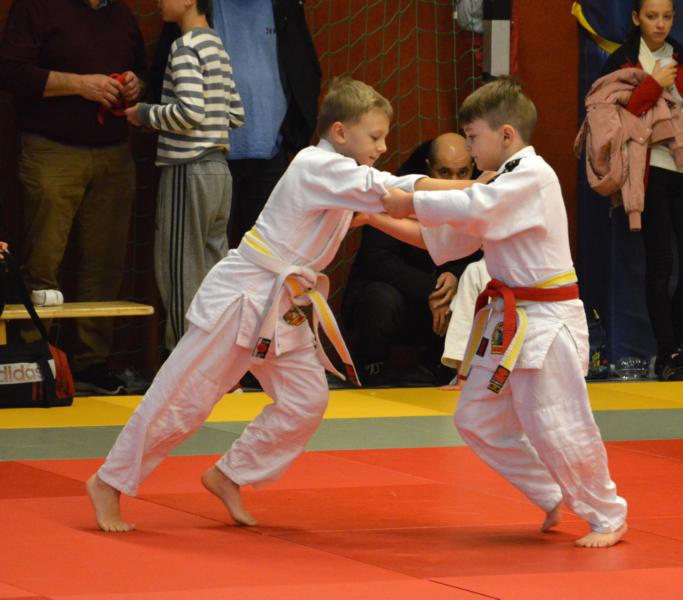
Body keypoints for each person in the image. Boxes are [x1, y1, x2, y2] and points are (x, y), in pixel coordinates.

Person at [85, 77, 479, 532]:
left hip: (282, 303)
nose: (383, 146)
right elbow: (391, 188)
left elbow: (395, 196)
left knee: (305, 399)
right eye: (374, 136)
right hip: (244, 294)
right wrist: (476, 189)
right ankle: (109, 482)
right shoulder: (317, 165)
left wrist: (471, 199)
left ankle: (230, 474)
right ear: (339, 132)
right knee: (184, 398)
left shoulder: (340, 177)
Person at [377, 77, 628, 547]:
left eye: (474, 138)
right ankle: (550, 491)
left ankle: (608, 514)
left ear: (506, 134)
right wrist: (375, 217)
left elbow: (475, 203)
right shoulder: (502, 184)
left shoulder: (532, 177)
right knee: (476, 417)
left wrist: (409, 198)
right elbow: (448, 240)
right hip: (511, 323)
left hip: (546, 322)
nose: (470, 150)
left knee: (557, 422)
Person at [0, 0, 146, 394]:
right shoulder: (36, 7)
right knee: (43, 260)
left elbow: (144, 71)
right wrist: (81, 85)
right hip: (51, 149)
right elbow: (10, 72)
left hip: (114, 152)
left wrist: (136, 84)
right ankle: (33, 361)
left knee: (105, 264)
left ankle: (91, 364)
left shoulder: (121, 13)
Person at [124, 0, 244, 351]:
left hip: (188, 170)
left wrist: (145, 114)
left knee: (180, 274)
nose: (159, 2)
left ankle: (185, 361)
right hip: (220, 171)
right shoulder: (218, 46)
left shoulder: (184, 46)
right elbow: (236, 113)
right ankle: (219, 357)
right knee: (213, 271)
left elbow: (190, 113)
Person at [342, 133, 482, 386]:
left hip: (441, 304)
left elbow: (482, 251)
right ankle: (372, 370)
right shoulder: (398, 191)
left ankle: (443, 369)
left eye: (462, 173)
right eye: (444, 172)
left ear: (473, 167)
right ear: (428, 167)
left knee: (471, 288)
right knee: (380, 297)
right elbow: (377, 260)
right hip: (395, 297)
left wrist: (456, 276)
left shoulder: (480, 197)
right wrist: (433, 290)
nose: (454, 181)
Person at [600, 0, 683, 381]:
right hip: (651, 174)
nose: (660, 24)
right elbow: (613, 118)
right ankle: (668, 353)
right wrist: (653, 84)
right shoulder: (622, 62)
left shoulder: (679, 56)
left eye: (667, 16)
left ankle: (678, 341)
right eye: (652, 16)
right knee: (661, 262)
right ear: (636, 18)